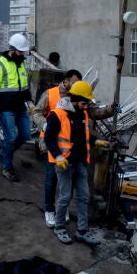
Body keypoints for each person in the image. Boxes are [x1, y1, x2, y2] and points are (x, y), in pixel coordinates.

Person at [43, 80, 103, 244]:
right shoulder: (57, 115)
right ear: (75, 99)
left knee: (84, 197)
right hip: (64, 164)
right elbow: (48, 139)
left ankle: (82, 231)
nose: (86, 106)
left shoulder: (82, 114)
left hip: (80, 163)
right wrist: (58, 156)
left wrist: (95, 141)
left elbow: (84, 136)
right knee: (65, 197)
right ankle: (59, 227)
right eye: (84, 102)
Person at [33, 69, 82, 227]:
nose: (76, 86)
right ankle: (49, 210)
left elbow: (91, 112)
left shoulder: (76, 97)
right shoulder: (51, 94)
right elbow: (37, 112)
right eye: (74, 83)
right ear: (66, 81)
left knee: (65, 181)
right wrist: (45, 124)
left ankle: (61, 208)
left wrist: (112, 110)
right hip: (50, 144)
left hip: (68, 148)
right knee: (51, 178)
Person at [0, 33, 33, 181]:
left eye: (23, 52)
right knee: (10, 137)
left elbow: (24, 85)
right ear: (12, 49)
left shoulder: (22, 63)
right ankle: (7, 167)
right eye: (20, 51)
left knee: (25, 134)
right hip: (5, 108)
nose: (22, 54)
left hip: (20, 106)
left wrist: (30, 101)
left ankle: (3, 153)